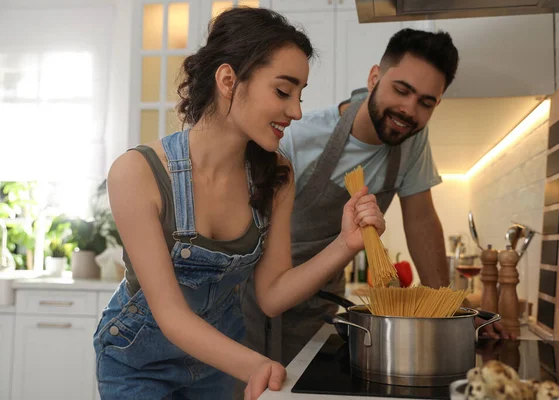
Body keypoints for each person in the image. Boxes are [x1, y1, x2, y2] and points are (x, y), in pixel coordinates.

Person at [93, 7, 386, 400]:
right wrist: (255, 364)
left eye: (300, 95)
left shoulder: (276, 175)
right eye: (283, 91)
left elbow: (272, 294)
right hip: (139, 367)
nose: (296, 111)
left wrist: (346, 244)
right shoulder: (137, 173)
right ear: (228, 80)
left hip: (218, 364)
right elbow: (172, 316)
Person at [240, 27, 513, 373]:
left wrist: (452, 314)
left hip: (320, 310)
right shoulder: (299, 137)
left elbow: (422, 222)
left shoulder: (412, 140)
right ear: (374, 78)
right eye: (401, 90)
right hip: (259, 310)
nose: (409, 110)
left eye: (426, 102)